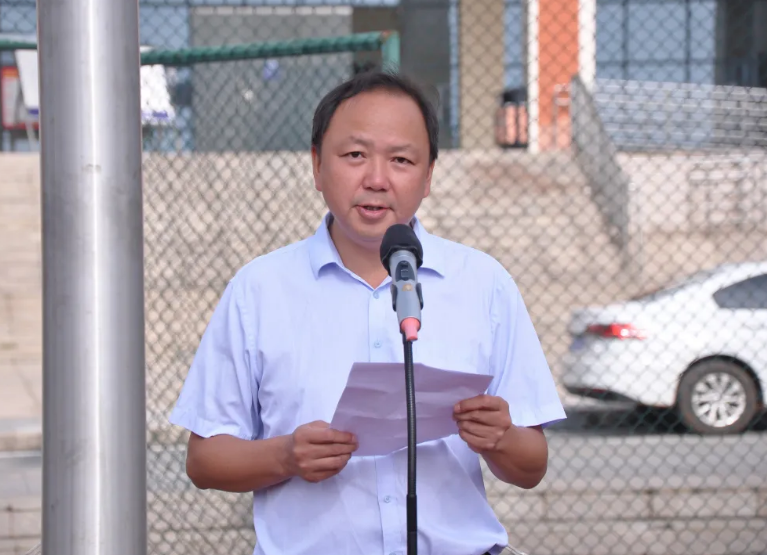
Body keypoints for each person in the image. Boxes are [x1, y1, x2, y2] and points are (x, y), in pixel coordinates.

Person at [169, 70, 567, 555]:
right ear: (317, 166)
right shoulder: (259, 290)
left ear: (428, 176)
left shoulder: (484, 284)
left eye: (401, 160)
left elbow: (531, 466)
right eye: (355, 155)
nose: (376, 180)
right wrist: (285, 456)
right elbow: (204, 460)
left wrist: (499, 437)